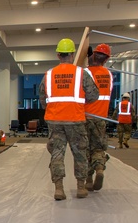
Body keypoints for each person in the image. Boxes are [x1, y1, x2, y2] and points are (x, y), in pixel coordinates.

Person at [38, 38, 99, 200]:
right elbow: (93, 95)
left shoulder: (49, 74)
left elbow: (42, 98)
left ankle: (59, 189)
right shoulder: (81, 73)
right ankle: (80, 187)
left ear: (58, 55)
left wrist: (53, 108)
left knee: (57, 153)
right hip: (75, 119)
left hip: (55, 121)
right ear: (72, 54)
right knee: (80, 153)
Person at [84, 44, 113, 191]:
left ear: (93, 56)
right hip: (101, 118)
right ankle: (99, 170)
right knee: (98, 148)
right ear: (107, 59)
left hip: (85, 117)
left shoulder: (85, 73)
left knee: (85, 149)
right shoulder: (109, 75)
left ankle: (88, 179)